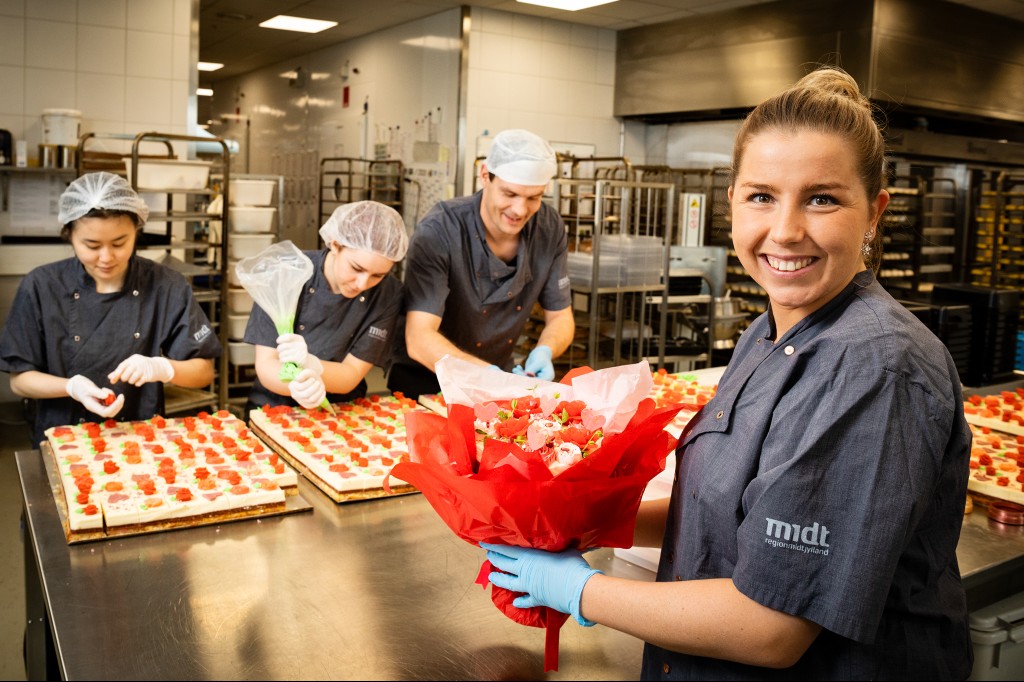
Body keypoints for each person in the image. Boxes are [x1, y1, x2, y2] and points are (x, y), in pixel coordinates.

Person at [480, 66, 974, 679]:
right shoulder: (769, 334)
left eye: (823, 198)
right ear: (732, 203)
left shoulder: (875, 367)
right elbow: (726, 513)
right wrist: (583, 521)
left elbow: (771, 627)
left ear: (874, 213)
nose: (786, 230)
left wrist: (578, 592)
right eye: (761, 196)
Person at [0, 171, 221, 445]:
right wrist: (70, 387)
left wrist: (164, 368)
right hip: (62, 437)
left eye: (120, 243)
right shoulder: (41, 286)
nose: (106, 257)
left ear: (136, 231)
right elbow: (19, 380)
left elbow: (203, 372)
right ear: (69, 235)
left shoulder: (166, 286)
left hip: (142, 437)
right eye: (91, 245)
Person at [386, 128, 575, 399]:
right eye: (509, 194)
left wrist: (545, 349)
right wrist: (487, 376)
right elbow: (419, 338)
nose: (520, 210)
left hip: (498, 379)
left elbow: (560, 316)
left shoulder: (549, 227)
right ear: (485, 175)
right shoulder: (440, 229)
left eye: (534, 197)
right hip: (427, 382)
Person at [243, 200, 407, 414]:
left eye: (378, 275)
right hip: (275, 405)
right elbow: (266, 364)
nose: (362, 284)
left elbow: (352, 373)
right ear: (336, 244)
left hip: (342, 410)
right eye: (356, 268)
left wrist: (314, 365)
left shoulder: (388, 294)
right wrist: (296, 386)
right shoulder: (287, 273)